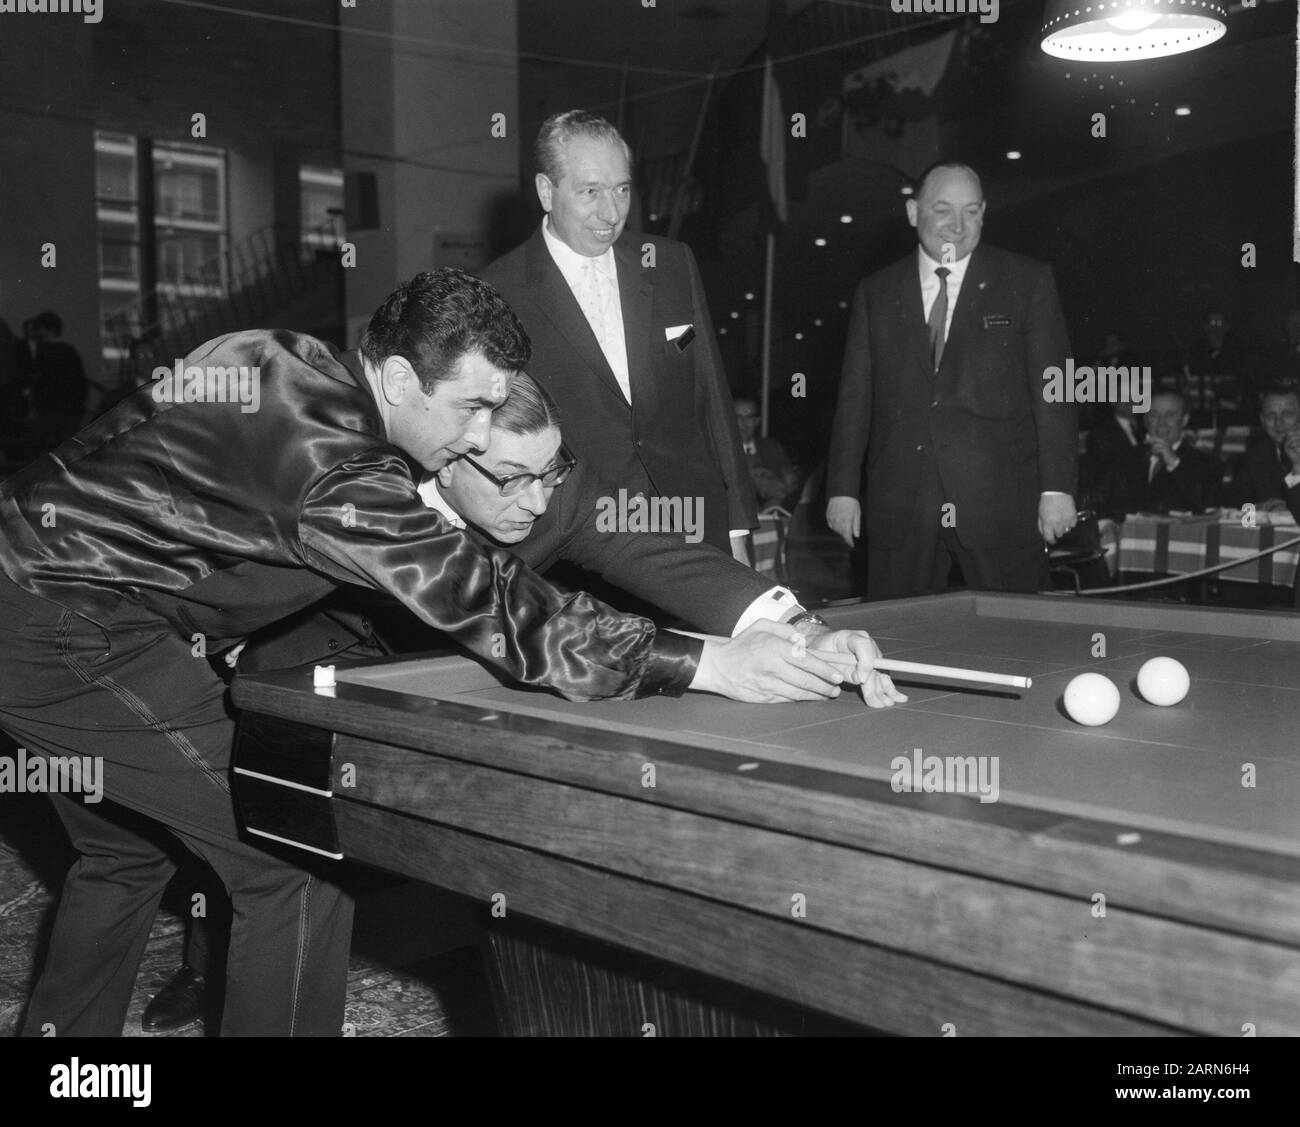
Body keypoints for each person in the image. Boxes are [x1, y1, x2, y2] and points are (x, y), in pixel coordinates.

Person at [0, 268, 902, 1038]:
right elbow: (489, 601)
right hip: (63, 622)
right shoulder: (339, 466)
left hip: (53, 589)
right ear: (396, 377)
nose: (477, 435)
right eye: (471, 408)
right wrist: (709, 664)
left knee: (124, 852)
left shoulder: (279, 354)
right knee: (294, 855)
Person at [480, 110, 754, 565]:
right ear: (547, 192)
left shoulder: (669, 264)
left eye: (621, 190)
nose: (611, 213)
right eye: (590, 192)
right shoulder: (499, 292)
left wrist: (738, 525)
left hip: (692, 524)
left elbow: (711, 397)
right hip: (583, 541)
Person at [825, 161, 1078, 599]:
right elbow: (855, 397)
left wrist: (1057, 489)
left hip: (999, 503)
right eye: (943, 210)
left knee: (1013, 638)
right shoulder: (876, 292)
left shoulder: (1027, 280)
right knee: (896, 643)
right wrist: (843, 490)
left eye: (972, 211)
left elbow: (1054, 391)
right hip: (901, 503)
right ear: (912, 212)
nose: (957, 226)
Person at [1089, 389, 1221, 518]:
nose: (1162, 424)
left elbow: (1208, 508)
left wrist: (1174, 464)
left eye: (1170, 415)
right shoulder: (1123, 458)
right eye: (1154, 415)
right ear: (1145, 420)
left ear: (1185, 419)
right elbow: (1099, 505)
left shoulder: (1207, 464)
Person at [1222, 385, 1300, 517]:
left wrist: (1298, 468)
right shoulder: (1255, 457)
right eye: (1270, 416)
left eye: (1287, 414)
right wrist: (1261, 509)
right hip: (1272, 536)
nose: (1278, 423)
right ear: (1262, 421)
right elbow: (1234, 513)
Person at [26, 310, 87, 449]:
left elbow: (43, 381)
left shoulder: (46, 352)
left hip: (52, 409)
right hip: (71, 409)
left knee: (37, 444)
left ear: (46, 329)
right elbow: (79, 382)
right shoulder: (69, 351)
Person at [734, 397, 800, 511]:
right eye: (738, 417)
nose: (743, 423)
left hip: (772, 517)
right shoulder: (719, 450)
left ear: (757, 421)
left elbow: (790, 481)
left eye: (749, 417)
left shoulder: (772, 448)